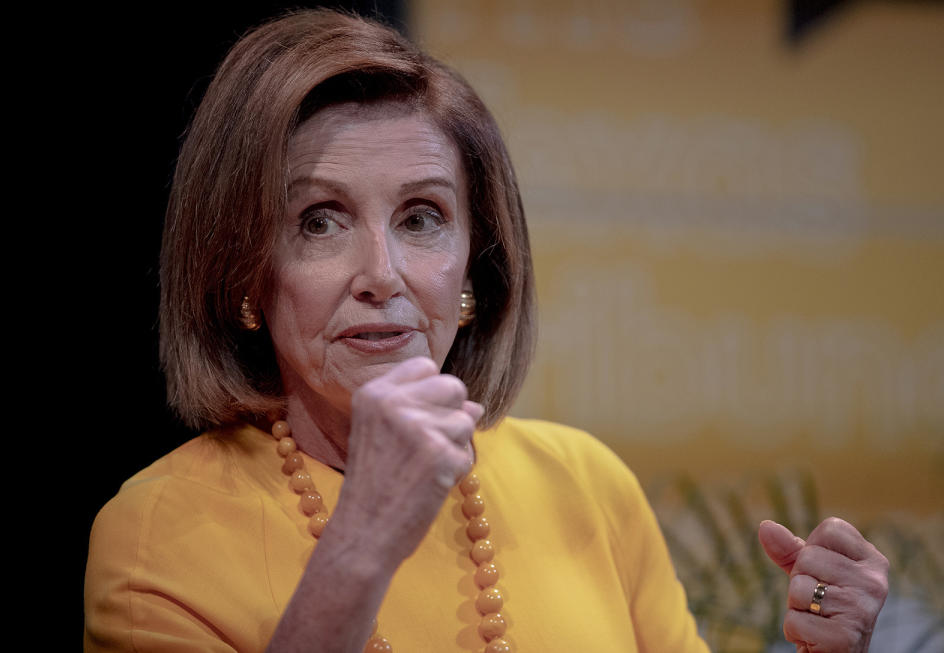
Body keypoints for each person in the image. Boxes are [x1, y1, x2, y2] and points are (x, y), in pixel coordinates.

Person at [84, 9, 889, 653]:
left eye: (422, 217)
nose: (382, 273)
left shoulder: (588, 485)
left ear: (475, 270)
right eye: (320, 221)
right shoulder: (156, 536)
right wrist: (361, 543)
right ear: (244, 271)